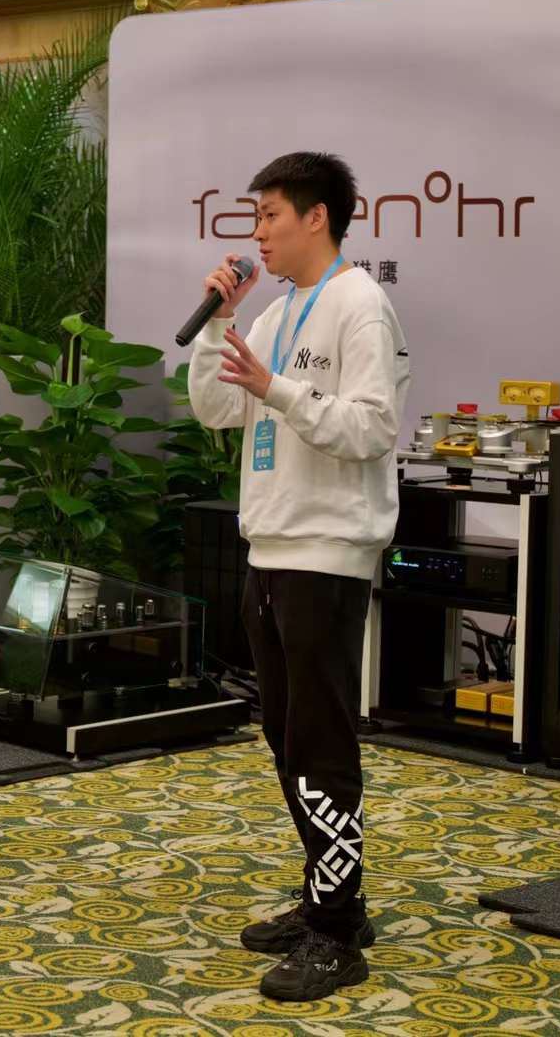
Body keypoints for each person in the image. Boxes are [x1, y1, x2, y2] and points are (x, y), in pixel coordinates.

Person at [188, 152, 410, 1001]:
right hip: (271, 550)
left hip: (327, 554)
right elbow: (217, 409)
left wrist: (277, 389)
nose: (258, 234)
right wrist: (219, 325)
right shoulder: (277, 311)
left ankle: (337, 933)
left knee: (322, 744)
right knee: (287, 739)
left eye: (270, 215)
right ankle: (329, 899)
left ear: (318, 217)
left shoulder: (361, 304)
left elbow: (371, 428)